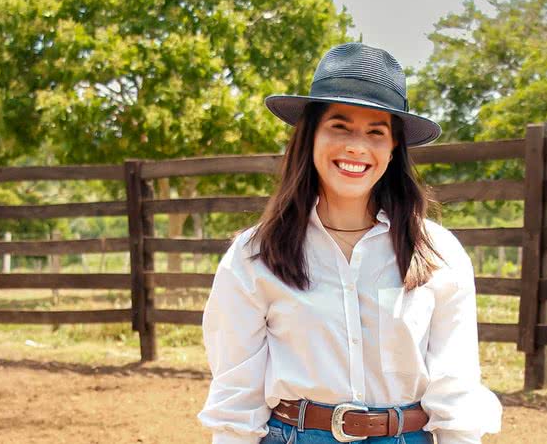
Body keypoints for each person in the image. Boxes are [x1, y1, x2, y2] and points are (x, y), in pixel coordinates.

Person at [198, 42, 502, 444]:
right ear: (310, 137)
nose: (357, 146)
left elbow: (455, 384)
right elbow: (237, 396)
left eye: (376, 132)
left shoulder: (439, 253)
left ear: (394, 149)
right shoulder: (255, 256)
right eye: (339, 126)